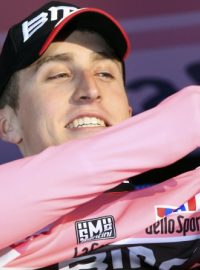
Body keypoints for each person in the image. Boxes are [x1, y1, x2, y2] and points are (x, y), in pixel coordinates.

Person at [0, 1, 199, 269]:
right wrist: (177, 123)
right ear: (7, 123)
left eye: (105, 73)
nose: (90, 89)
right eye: (59, 74)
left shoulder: (188, 200)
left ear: (129, 112)